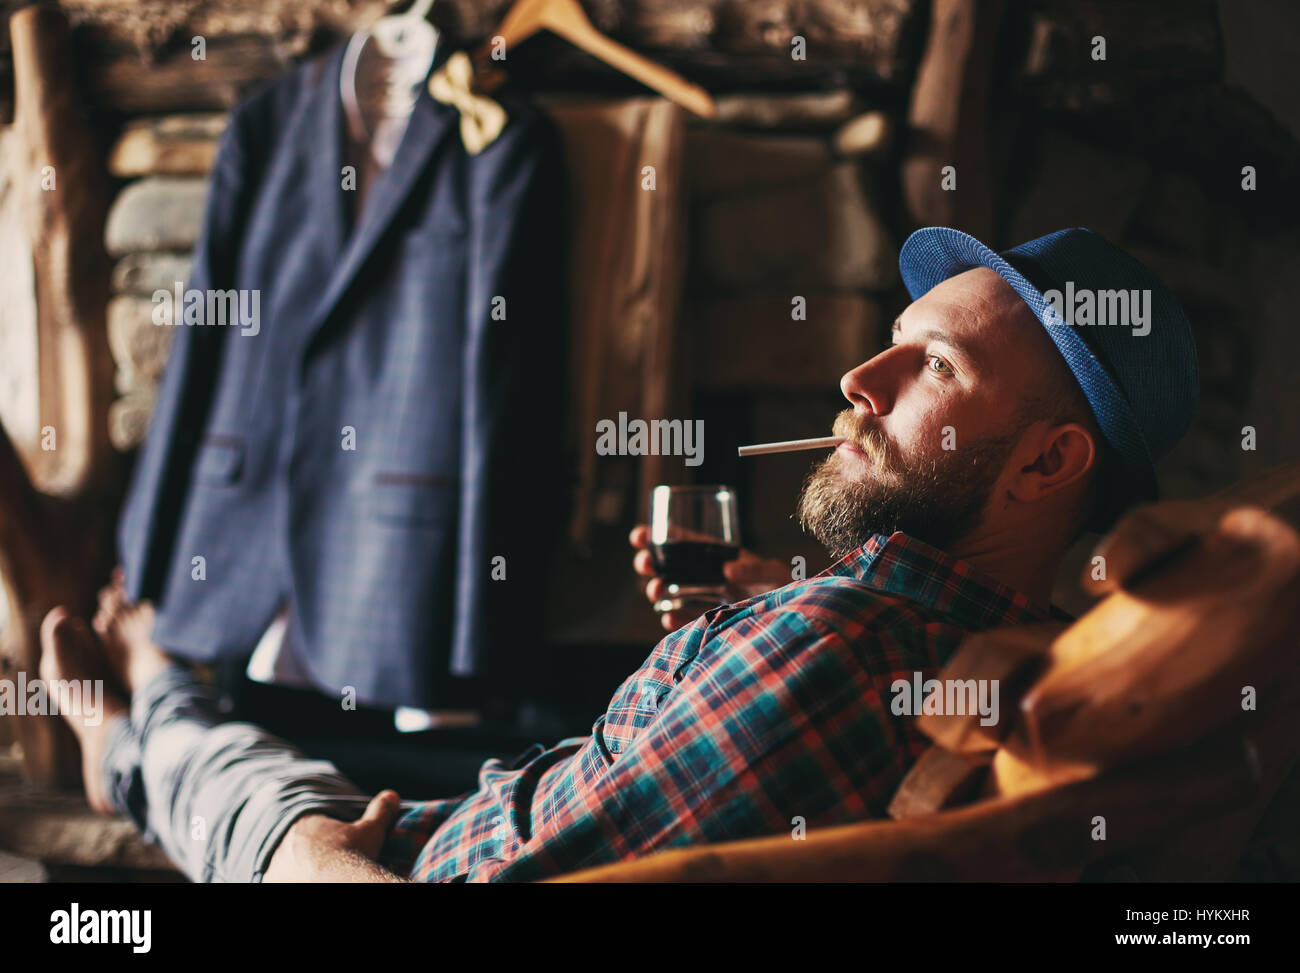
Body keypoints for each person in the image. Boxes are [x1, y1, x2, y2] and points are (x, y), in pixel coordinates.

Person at [39, 227, 1198, 882]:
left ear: (1047, 467)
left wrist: (307, 860)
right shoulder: (1009, 652)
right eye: (891, 346)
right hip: (480, 807)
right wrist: (756, 616)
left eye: (933, 369)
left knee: (251, 781)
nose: (858, 380)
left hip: (393, 865)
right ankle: (156, 710)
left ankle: (133, 716)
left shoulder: (834, 649)